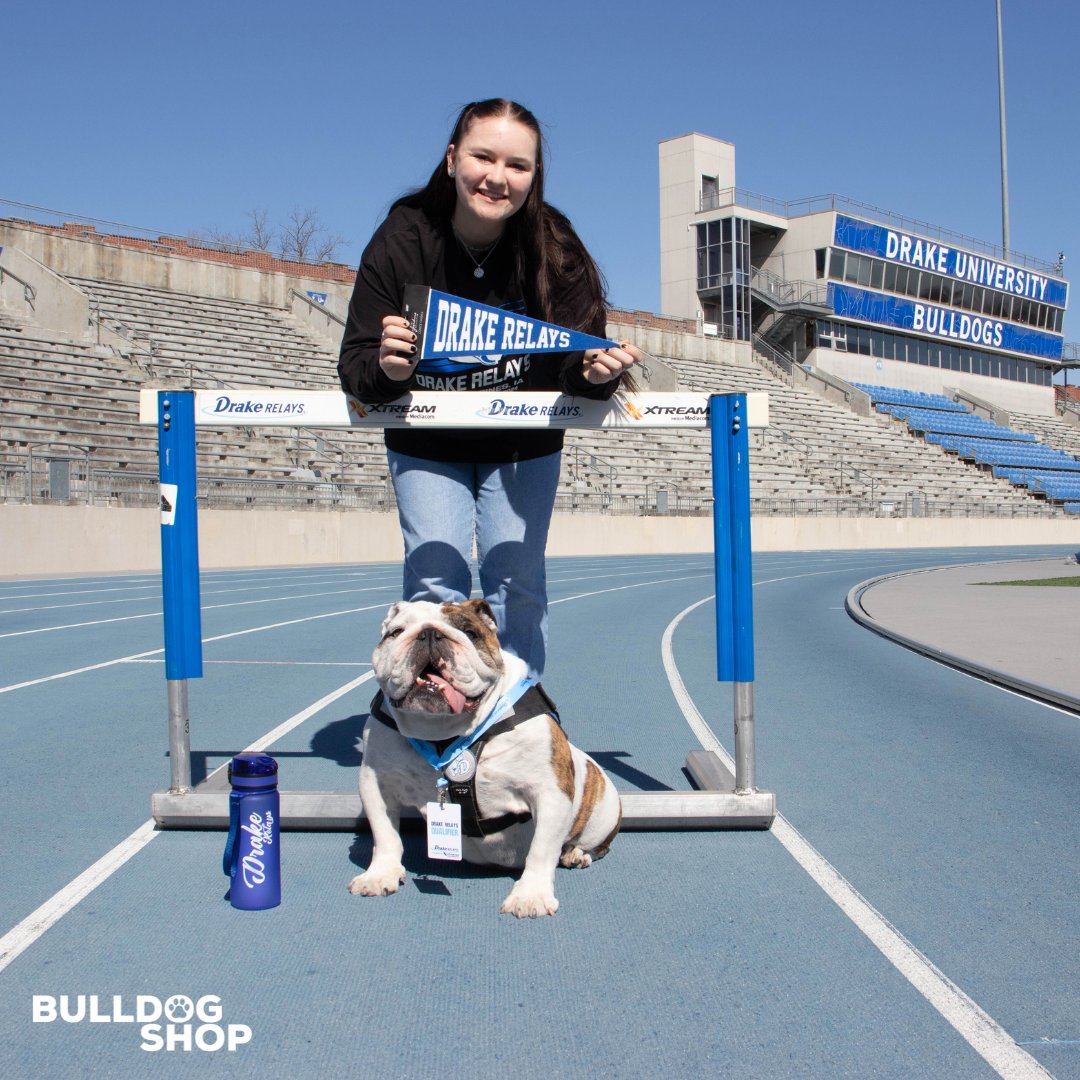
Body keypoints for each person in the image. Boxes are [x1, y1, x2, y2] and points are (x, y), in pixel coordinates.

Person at [338, 98, 641, 679]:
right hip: (426, 439)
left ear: (535, 176)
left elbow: (579, 365)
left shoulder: (554, 244)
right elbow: (355, 369)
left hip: (522, 444)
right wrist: (392, 370)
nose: (497, 177)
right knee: (434, 583)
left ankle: (517, 720)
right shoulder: (403, 237)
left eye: (517, 165)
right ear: (452, 158)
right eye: (482, 156)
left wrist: (597, 376)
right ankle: (433, 722)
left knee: (517, 584)